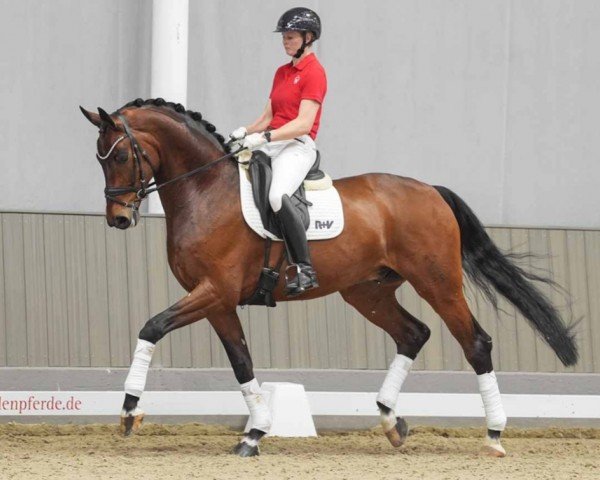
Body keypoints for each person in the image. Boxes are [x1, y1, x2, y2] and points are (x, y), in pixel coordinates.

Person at [230, 7, 327, 297]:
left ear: (309, 38)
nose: (285, 41)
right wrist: (245, 131)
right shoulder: (282, 72)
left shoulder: (314, 72)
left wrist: (264, 137)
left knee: (276, 195)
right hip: (271, 143)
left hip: (297, 146)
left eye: (291, 36)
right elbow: (267, 116)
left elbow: (303, 124)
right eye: (284, 36)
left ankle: (305, 268)